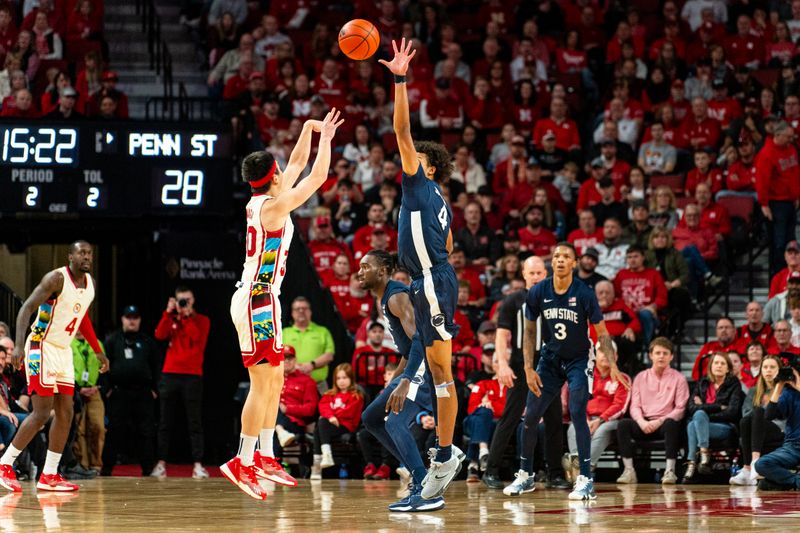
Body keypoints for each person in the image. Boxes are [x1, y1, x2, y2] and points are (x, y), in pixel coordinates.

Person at [222, 109, 344, 500]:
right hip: (258, 298)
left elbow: (293, 165)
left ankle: (266, 453)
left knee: (275, 380)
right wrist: (325, 139)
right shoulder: (273, 207)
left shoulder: (267, 198)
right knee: (262, 383)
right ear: (272, 176)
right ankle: (242, 459)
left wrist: (309, 128)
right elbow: (317, 177)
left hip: (262, 297)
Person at [380, 38, 463, 500]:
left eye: (414, 161)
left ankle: (446, 456)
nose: (405, 162)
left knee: (441, 373)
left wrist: (399, 79)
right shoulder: (438, 202)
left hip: (430, 281)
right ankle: (446, 455)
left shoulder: (417, 184)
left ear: (427, 168)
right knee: (439, 373)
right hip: (434, 279)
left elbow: (403, 131)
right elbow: (449, 244)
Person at [502, 242, 627, 501]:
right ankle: (525, 475)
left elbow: (602, 333)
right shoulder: (538, 291)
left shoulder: (584, 292)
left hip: (579, 360)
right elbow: (529, 331)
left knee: (579, 411)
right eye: (556, 255)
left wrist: (612, 365)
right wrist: (527, 366)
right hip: (549, 359)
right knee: (530, 416)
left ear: (574, 263)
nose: (559, 259)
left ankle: (585, 479)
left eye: (565, 256)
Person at [0, 241, 108, 493]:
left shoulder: (89, 284)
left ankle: (50, 474)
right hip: (41, 345)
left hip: (61, 350)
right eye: (81, 252)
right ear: (70, 256)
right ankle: (5, 464)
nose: (86, 257)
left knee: (66, 412)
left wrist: (98, 350)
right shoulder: (56, 279)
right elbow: (26, 308)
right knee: (41, 412)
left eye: (90, 253)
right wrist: (17, 346)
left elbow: (82, 320)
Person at [357, 249, 442, 512]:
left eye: (365, 267)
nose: (359, 272)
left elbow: (420, 338)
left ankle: (426, 490)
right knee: (371, 418)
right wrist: (395, 379)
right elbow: (407, 349)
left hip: (426, 366)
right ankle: (422, 475)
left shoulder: (396, 296)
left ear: (382, 271)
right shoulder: (383, 298)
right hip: (413, 364)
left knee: (394, 421)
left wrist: (405, 381)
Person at [483, 256, 570, 491]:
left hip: (549, 365)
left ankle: (555, 474)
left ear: (546, 274)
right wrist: (502, 364)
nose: (535, 277)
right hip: (521, 365)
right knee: (510, 417)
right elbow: (501, 335)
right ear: (523, 274)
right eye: (531, 273)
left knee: (553, 419)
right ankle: (491, 470)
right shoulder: (513, 301)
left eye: (539, 273)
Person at [152, 286, 210, 480]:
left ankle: (198, 465)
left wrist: (186, 316)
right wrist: (168, 313)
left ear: (193, 301)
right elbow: (159, 335)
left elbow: (197, 338)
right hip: (170, 374)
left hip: (192, 375)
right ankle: (160, 464)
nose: (184, 303)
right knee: (164, 421)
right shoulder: (172, 318)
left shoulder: (202, 321)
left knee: (194, 421)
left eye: (187, 300)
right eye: (181, 300)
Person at [616, 337, 688, 485]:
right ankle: (629, 471)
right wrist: (641, 422)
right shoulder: (640, 377)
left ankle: (670, 471)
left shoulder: (679, 378)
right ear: (651, 355)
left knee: (671, 424)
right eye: (658, 353)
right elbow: (635, 406)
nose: (661, 356)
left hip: (664, 423)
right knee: (623, 424)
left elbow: (680, 409)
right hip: (644, 423)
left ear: (671, 356)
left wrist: (659, 421)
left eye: (665, 353)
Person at [101, 305, 159, 477]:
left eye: (135, 317)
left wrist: (155, 389)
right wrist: (107, 389)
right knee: (114, 430)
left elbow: (156, 366)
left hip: (143, 393)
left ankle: (148, 468)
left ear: (139, 320)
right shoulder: (113, 340)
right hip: (119, 392)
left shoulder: (147, 342)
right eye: (128, 317)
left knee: (145, 431)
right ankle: (107, 467)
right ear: (123, 319)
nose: (132, 321)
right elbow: (103, 365)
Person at [564, 342, 630, 478]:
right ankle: (577, 464)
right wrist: (586, 419)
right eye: (602, 351)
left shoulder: (622, 378)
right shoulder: (584, 376)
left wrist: (600, 420)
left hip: (610, 421)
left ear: (616, 356)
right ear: (594, 355)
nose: (606, 355)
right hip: (586, 418)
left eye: (610, 352)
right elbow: (577, 400)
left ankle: (582, 468)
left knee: (603, 430)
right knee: (573, 427)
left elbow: (620, 406)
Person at [683, 352, 744, 482]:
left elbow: (731, 413)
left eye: (723, 363)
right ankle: (702, 458)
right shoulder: (702, 383)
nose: (719, 366)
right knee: (695, 420)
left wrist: (704, 411)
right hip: (703, 426)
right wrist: (717, 407)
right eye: (716, 363)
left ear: (728, 368)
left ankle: (692, 464)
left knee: (696, 420)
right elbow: (691, 408)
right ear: (711, 366)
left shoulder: (734, 384)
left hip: (726, 427)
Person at [730, 355, 785, 485]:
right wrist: (759, 415)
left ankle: (754, 462)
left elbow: (783, 415)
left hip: (780, 429)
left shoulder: (785, 390)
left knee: (758, 412)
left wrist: (762, 412)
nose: (768, 370)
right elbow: (746, 414)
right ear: (761, 370)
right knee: (746, 420)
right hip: (757, 431)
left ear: (779, 370)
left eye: (772, 367)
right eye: (765, 367)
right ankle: (747, 469)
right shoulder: (754, 391)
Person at [755, 121, 800, 276]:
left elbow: (795, 173)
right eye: (788, 137)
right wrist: (764, 203)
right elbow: (762, 180)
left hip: (790, 201)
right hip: (776, 203)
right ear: (778, 135)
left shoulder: (791, 149)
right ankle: (779, 275)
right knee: (779, 243)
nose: (791, 139)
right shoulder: (767, 154)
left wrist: (797, 195)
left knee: (791, 241)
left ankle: (791, 272)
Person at [311, 363, 364, 479]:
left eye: (345, 378)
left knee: (321, 423)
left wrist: (331, 415)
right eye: (338, 378)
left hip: (346, 425)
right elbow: (323, 407)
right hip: (330, 425)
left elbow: (348, 413)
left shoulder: (356, 396)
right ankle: (323, 457)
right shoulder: (329, 394)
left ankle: (318, 464)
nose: (341, 381)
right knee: (319, 428)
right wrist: (331, 416)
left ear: (351, 378)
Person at [755, 362, 800, 490]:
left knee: (765, 484)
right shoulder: (789, 393)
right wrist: (779, 386)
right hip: (793, 447)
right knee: (762, 464)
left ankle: (784, 483)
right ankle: (795, 481)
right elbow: (769, 415)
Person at [464, 354, 506, 482]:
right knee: (483, 413)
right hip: (472, 420)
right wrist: (488, 408)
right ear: (493, 365)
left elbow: (510, 411)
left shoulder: (514, 387)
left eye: (504, 361)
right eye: (497, 361)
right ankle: (483, 452)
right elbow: (472, 408)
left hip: (496, 423)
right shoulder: (482, 384)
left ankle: (474, 464)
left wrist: (491, 404)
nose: (500, 364)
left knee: (483, 419)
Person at [282, 296, 335, 390]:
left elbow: (329, 355)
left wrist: (312, 364)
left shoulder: (322, 331)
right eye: (297, 309)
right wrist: (294, 366)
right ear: (292, 313)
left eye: (304, 308)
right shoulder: (284, 332)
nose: (301, 311)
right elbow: (276, 356)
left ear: (310, 311)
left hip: (318, 385)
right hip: (289, 386)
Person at [274, 344, 318, 455]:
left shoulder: (307, 381)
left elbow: (311, 409)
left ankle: (268, 468)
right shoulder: (272, 379)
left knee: (268, 428)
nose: (286, 361)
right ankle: (280, 430)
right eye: (283, 358)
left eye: (289, 358)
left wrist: (288, 409)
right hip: (273, 419)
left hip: (294, 422)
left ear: (295, 360)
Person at [70, 331, 104, 473]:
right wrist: (78, 388)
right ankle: (82, 465)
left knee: (98, 427)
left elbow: (104, 367)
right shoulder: (67, 343)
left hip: (94, 391)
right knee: (79, 429)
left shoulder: (98, 343)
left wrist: (99, 386)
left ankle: (96, 464)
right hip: (74, 391)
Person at [691, 317, 739, 381]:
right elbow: (696, 372)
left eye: (727, 327)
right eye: (720, 328)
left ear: (734, 330)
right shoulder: (708, 347)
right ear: (716, 331)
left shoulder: (742, 346)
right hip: (708, 385)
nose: (723, 330)